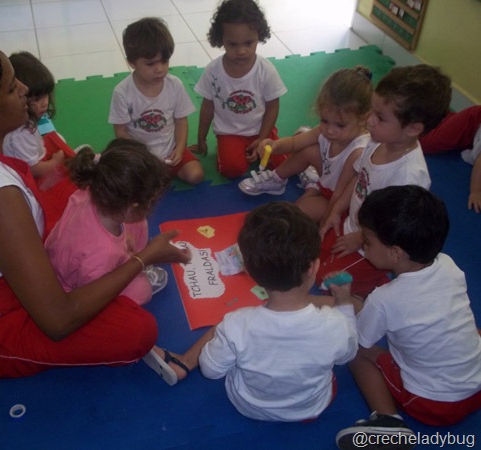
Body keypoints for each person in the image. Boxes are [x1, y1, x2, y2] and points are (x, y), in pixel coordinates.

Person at [0, 39, 190, 381]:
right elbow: (58, 321)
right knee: (137, 331)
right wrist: (142, 259)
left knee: (83, 186)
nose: (26, 89)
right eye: (13, 87)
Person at [333, 186, 481, 450]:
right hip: (477, 385)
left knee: (355, 352)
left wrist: (346, 303)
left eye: (367, 241)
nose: (364, 247)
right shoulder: (448, 264)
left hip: (435, 404)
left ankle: (389, 422)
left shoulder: (384, 298)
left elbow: (358, 340)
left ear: (395, 253)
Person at [195, 202, 358, 421]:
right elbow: (348, 354)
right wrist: (343, 302)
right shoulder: (335, 323)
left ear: (250, 271)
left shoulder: (235, 324)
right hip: (309, 408)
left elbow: (210, 370)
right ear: (313, 267)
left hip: (249, 406)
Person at [317, 64, 452, 299]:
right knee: (309, 254)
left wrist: (359, 238)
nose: (369, 121)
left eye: (380, 117)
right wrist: (336, 210)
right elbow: (360, 177)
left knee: (326, 282)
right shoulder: (377, 139)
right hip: (353, 226)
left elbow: (393, 227)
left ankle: (379, 282)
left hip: (374, 246)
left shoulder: (409, 176)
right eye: (372, 111)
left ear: (413, 128)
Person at [45, 138, 171, 306]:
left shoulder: (91, 191)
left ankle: (136, 261)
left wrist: (128, 250)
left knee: (138, 224)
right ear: (133, 205)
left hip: (65, 253)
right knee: (141, 290)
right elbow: (93, 291)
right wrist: (132, 262)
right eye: (151, 202)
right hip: (75, 283)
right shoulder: (103, 254)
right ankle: (138, 267)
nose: (153, 207)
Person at [239, 66, 372, 224]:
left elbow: (339, 197)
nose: (330, 130)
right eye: (324, 121)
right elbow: (294, 144)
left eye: (340, 125)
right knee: (307, 147)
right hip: (328, 182)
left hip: (342, 202)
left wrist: (326, 223)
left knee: (299, 211)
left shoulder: (357, 151)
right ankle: (278, 179)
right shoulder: (327, 131)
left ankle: (312, 185)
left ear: (363, 119)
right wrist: (274, 145)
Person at [190, 0, 288, 178]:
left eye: (248, 43)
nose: (241, 51)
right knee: (231, 170)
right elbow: (207, 107)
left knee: (284, 164)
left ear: (259, 35)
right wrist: (201, 138)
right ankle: (236, 151)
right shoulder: (213, 71)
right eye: (233, 44)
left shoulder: (266, 70)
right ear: (221, 40)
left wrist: (262, 138)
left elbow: (273, 106)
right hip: (230, 133)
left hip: (261, 129)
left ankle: (287, 141)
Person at [108, 17, 204, 185]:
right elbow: (121, 132)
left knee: (195, 175)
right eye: (150, 64)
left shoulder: (175, 85)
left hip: (171, 149)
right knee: (133, 185)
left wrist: (180, 149)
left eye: (164, 61)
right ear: (132, 63)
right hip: (142, 156)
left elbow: (181, 121)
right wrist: (143, 157)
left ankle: (165, 170)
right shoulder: (122, 92)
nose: (159, 69)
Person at [3, 51, 66, 190]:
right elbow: (33, 170)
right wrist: (55, 162)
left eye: (46, 96)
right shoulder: (22, 132)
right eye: (37, 99)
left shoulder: (22, 122)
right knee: (70, 177)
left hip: (33, 155)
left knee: (60, 139)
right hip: (31, 180)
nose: (44, 103)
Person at [420, 105, 481, 213]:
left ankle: (444, 119)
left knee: (448, 127)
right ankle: (433, 110)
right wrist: (476, 191)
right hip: (471, 122)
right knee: (426, 144)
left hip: (473, 134)